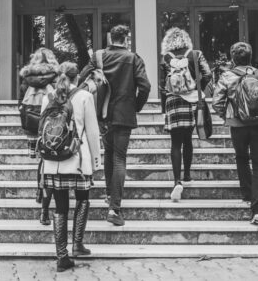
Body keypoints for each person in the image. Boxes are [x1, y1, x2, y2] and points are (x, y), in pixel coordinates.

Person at [79, 24, 151, 226]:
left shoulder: (98, 56)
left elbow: (81, 81)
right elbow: (145, 86)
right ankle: (114, 208)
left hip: (101, 115)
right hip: (124, 115)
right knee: (119, 158)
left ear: (111, 38)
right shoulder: (133, 58)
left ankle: (110, 194)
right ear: (126, 38)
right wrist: (135, 106)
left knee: (109, 154)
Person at [212, 42, 258, 226]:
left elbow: (217, 102)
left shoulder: (227, 76)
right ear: (250, 57)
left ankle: (247, 194)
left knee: (241, 157)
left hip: (238, 125)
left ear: (233, 58)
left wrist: (229, 117)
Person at [41, 62, 102, 272]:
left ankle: (62, 257)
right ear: (78, 78)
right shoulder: (84, 97)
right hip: (77, 159)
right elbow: (93, 132)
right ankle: (77, 244)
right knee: (83, 198)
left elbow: (41, 129)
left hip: (53, 161)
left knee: (60, 207)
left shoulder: (48, 97)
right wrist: (96, 161)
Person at [159, 27, 212, 202]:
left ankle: (176, 181)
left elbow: (162, 86)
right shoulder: (195, 55)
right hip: (191, 100)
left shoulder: (166, 58)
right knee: (187, 139)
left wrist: (163, 109)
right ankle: (187, 175)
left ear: (168, 42)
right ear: (185, 40)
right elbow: (208, 74)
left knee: (175, 142)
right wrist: (198, 89)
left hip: (173, 101)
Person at [18, 47, 59, 226]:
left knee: (41, 160)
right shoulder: (56, 76)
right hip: (49, 121)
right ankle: (45, 193)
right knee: (47, 161)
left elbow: (21, 99)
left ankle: (39, 191)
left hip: (31, 122)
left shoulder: (27, 76)